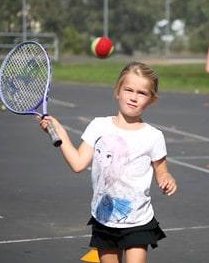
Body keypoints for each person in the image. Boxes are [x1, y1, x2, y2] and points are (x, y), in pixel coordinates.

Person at [39, 61, 177, 263]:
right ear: (118, 91)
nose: (133, 97)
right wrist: (61, 133)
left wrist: (167, 178)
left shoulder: (153, 136)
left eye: (142, 93)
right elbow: (78, 164)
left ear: (152, 99)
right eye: (128, 89)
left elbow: (162, 171)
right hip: (104, 218)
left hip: (138, 220)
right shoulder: (98, 126)